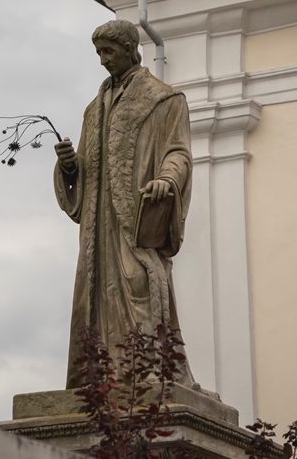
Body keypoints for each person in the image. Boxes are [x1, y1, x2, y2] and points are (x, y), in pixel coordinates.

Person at [54, 19, 196, 389]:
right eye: (98, 53)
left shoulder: (164, 99)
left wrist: (166, 179)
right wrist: (70, 166)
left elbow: (178, 152)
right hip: (98, 229)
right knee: (95, 297)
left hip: (136, 219)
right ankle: (100, 378)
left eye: (109, 51)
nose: (103, 60)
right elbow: (85, 166)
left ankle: (149, 371)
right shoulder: (93, 110)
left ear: (131, 49)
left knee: (141, 284)